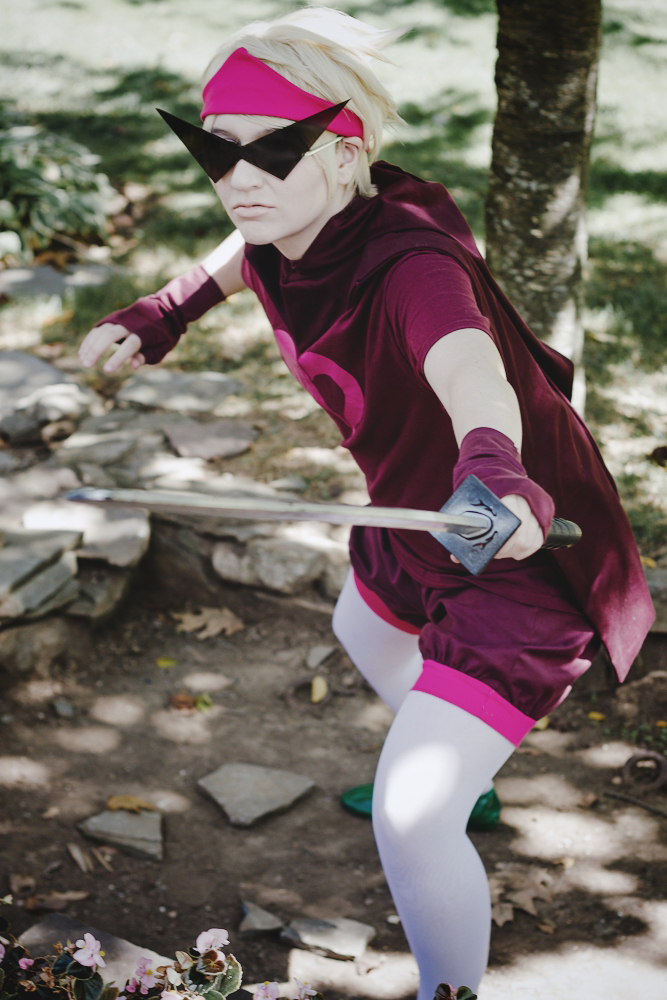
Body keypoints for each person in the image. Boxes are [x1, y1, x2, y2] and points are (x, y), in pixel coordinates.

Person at [78, 8, 654, 995]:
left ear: (346, 156)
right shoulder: (286, 221)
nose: (238, 180)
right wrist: (168, 310)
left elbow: (469, 365)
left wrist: (492, 460)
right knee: (362, 627)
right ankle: (465, 774)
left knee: (408, 815)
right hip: (416, 517)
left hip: (516, 544)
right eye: (216, 151)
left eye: (272, 151)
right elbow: (241, 250)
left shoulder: (412, 264)